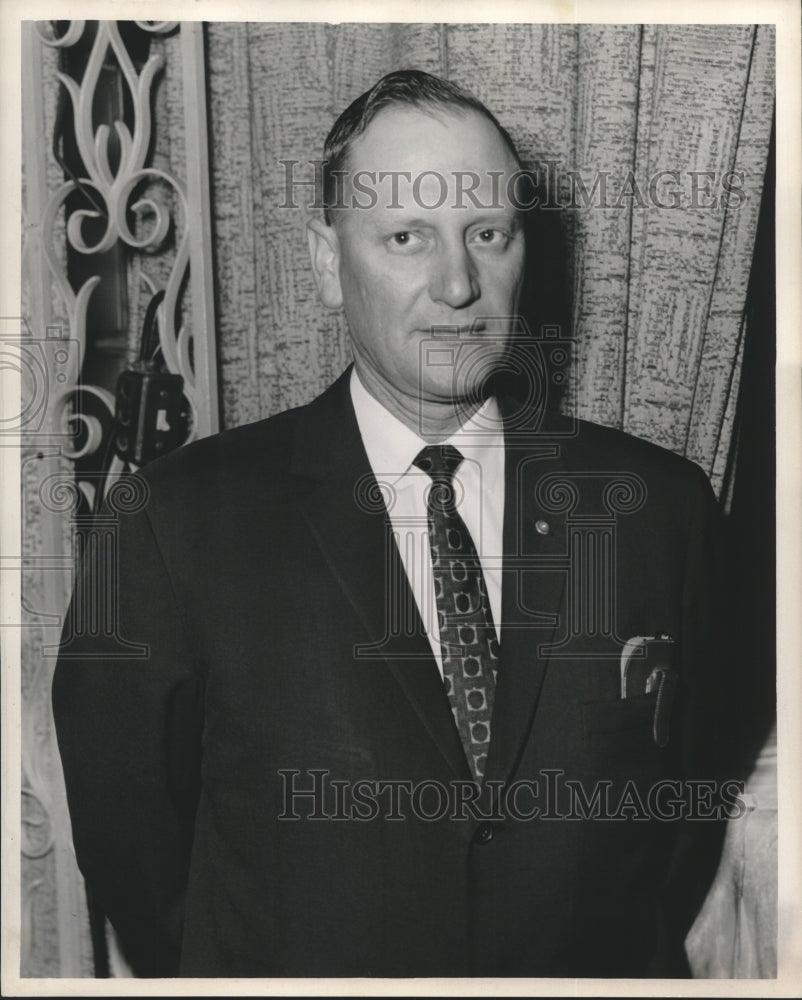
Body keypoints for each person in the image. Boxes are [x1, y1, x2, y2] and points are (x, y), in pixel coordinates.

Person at [52, 70, 726, 978]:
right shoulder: (176, 524)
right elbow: (135, 849)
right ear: (329, 264)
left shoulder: (662, 508)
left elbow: (680, 818)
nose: (459, 284)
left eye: (487, 234)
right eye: (407, 237)